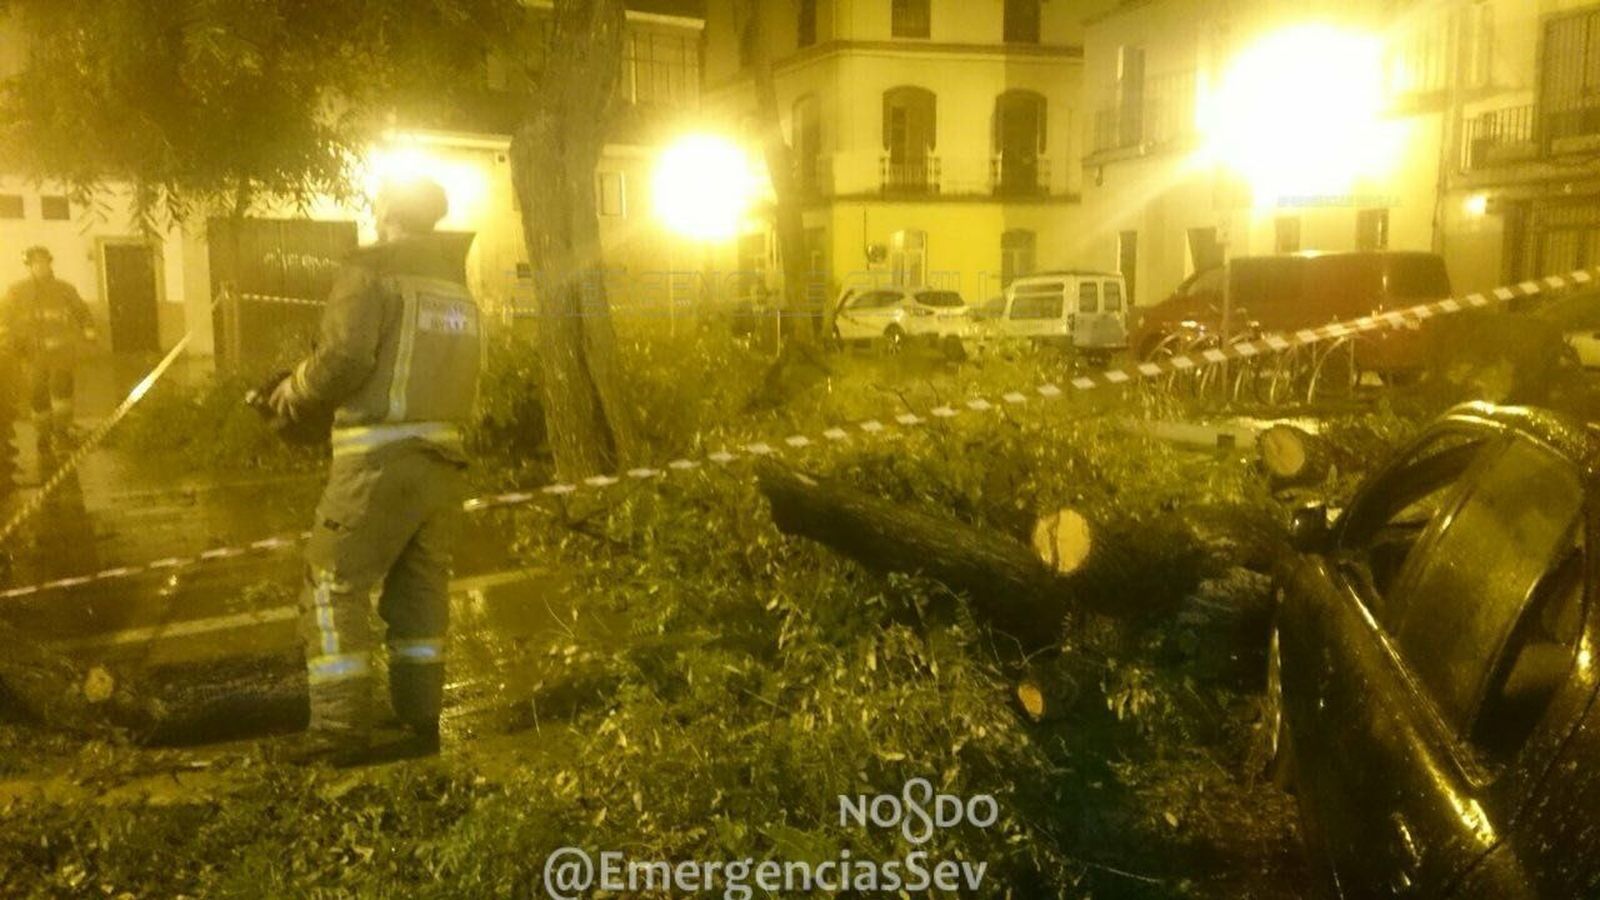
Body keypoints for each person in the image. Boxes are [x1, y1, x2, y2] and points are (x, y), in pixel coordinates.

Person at [268, 176, 482, 765]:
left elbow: (346, 356)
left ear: (385, 211)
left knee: (332, 586)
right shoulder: (456, 287)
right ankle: (420, 720)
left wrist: (295, 387)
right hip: (443, 464)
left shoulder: (370, 272)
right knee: (420, 593)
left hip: (377, 463)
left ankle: (338, 732)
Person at [1, 247, 96, 458]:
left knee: (62, 392)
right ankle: (43, 436)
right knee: (37, 395)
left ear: (50, 263)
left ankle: (61, 433)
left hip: (61, 352)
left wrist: (89, 333)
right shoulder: (16, 291)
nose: (40, 267)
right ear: (29, 266)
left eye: (44, 262)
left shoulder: (65, 289)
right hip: (32, 355)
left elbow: (82, 311)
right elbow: (4, 317)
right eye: (35, 263)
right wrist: (6, 342)